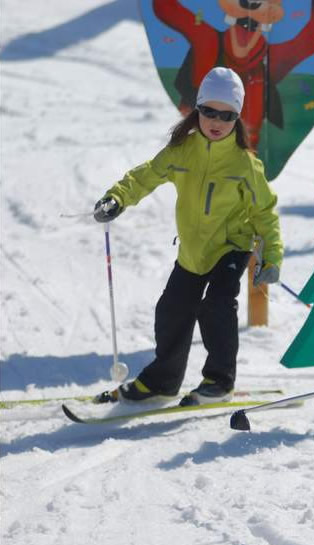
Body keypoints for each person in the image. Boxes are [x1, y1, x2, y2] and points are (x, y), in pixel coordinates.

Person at [93, 67, 283, 405]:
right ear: (197, 110)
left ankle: (219, 382)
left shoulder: (244, 165)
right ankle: (163, 382)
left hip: (232, 246)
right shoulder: (182, 151)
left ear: (236, 118)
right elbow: (145, 176)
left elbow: (265, 213)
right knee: (172, 311)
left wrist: (272, 257)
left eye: (226, 114)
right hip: (194, 251)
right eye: (209, 110)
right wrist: (117, 197)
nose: (216, 120)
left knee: (217, 306)